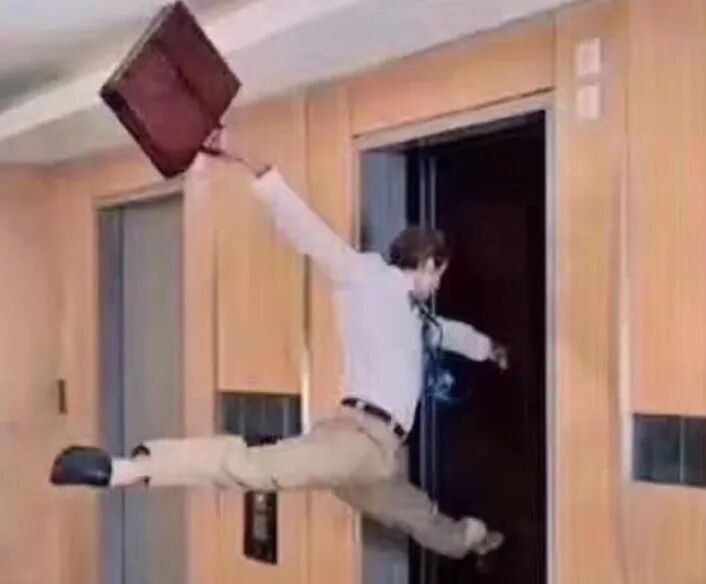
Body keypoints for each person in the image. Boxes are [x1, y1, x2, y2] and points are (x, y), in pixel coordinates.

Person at [50, 143, 508, 559]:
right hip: (355, 441)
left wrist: (492, 350)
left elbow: (451, 334)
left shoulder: (416, 318)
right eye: (438, 274)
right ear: (427, 263)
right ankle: (125, 469)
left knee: (417, 516)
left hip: (377, 456)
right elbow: (306, 230)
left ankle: (473, 539)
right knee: (256, 467)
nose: (438, 285)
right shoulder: (364, 277)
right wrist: (257, 168)